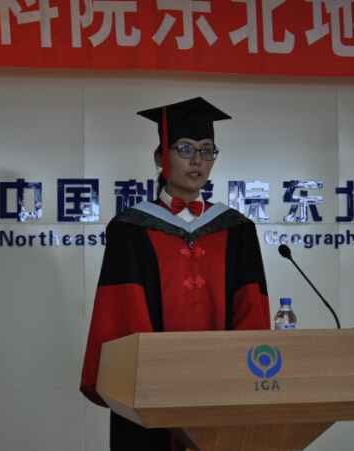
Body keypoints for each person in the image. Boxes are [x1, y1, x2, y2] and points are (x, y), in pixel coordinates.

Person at [80, 97, 271, 451]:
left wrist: (246, 374)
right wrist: (159, 376)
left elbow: (251, 310)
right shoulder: (130, 229)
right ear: (160, 158)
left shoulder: (237, 229)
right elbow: (122, 313)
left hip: (221, 391)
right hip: (150, 396)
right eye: (185, 148)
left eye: (207, 150)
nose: (197, 160)